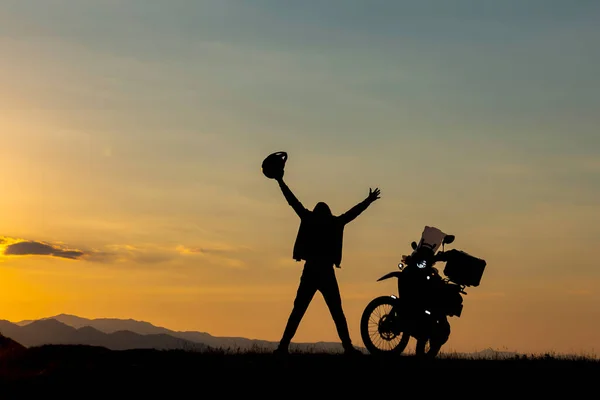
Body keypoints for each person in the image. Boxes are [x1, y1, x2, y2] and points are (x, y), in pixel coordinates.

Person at [271, 170, 381, 355]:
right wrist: (368, 201)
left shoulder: (309, 218)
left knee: (298, 310)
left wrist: (280, 181)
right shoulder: (334, 223)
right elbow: (352, 213)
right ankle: (347, 347)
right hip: (326, 272)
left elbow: (292, 201)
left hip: (311, 270)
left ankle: (283, 346)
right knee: (337, 312)